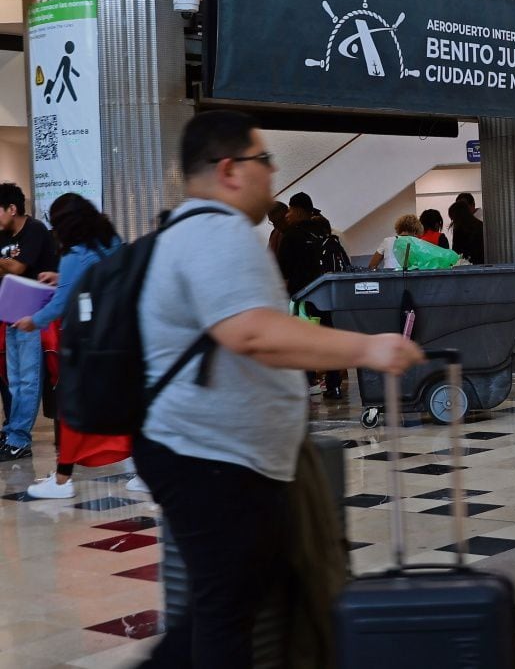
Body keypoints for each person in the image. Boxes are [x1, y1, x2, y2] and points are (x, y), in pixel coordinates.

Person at [134, 110, 423, 667]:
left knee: (230, 598)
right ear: (229, 169)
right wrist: (366, 349)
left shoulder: (199, 230)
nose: (272, 173)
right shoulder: (216, 233)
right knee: (225, 612)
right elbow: (253, 333)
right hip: (208, 455)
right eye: (264, 160)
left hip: (216, 452)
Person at [18, 194, 137, 498]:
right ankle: (144, 470)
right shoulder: (109, 240)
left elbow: (59, 305)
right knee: (124, 405)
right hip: (117, 337)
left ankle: (61, 481)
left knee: (71, 410)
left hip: (86, 344)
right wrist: (62, 277)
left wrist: (32, 320)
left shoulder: (75, 255)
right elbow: (97, 275)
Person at [0, 183, 58, 461]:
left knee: (28, 379)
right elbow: (7, 269)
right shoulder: (4, 235)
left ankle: (19, 439)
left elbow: (18, 268)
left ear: (12, 209)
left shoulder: (34, 230)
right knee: (14, 380)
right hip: (11, 313)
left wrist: (6, 265)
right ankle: (12, 432)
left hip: (35, 316)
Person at [277, 191, 345, 399]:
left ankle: (307, 382)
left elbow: (283, 271)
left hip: (302, 297)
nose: (287, 215)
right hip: (326, 295)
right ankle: (333, 385)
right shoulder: (325, 233)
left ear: (297, 210)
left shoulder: (291, 236)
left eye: (289, 210)